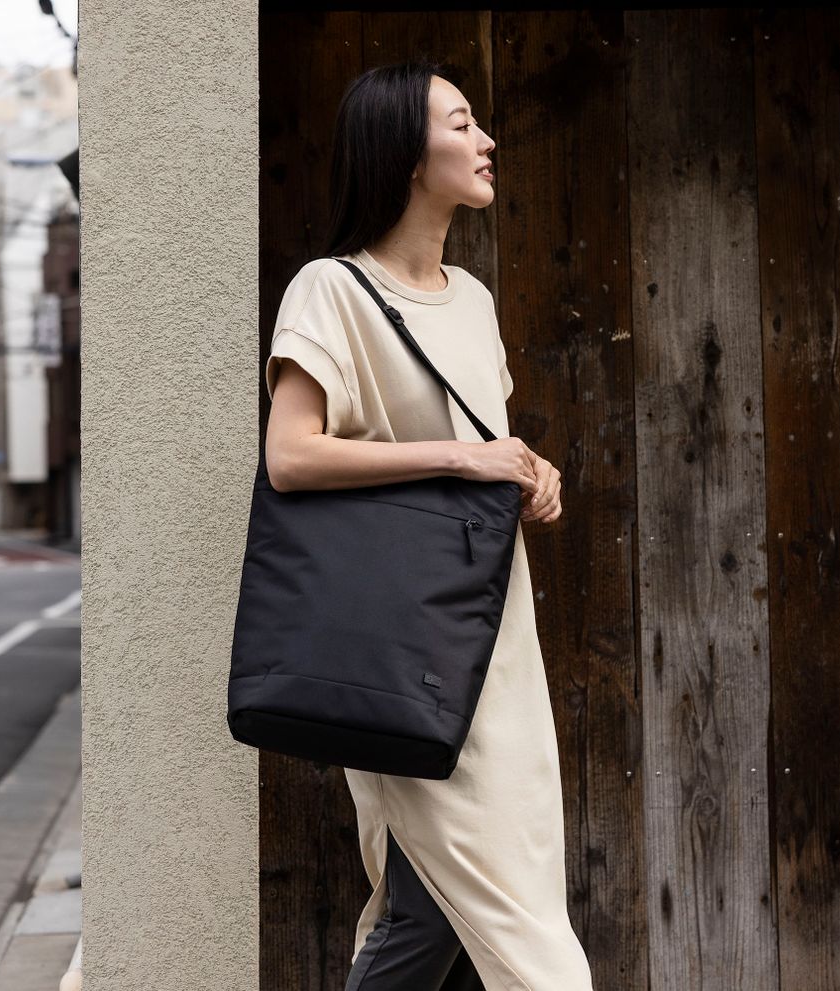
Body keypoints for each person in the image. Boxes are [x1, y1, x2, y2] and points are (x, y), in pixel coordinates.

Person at [264, 58, 594, 991]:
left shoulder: (473, 301)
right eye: (460, 124)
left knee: (428, 912)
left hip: (494, 639)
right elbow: (291, 456)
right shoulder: (329, 290)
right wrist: (463, 459)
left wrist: (525, 468)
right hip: (405, 653)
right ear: (405, 154)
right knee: (522, 935)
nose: (485, 141)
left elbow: (476, 446)